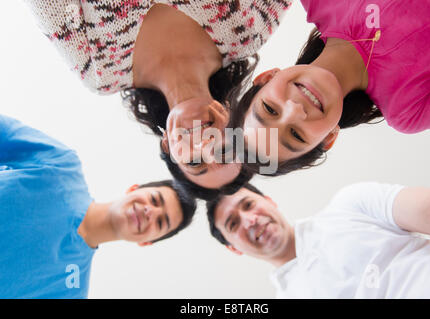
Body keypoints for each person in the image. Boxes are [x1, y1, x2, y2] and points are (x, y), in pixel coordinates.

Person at [24, 0, 293, 195]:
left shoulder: (100, 72)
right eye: (223, 151)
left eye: (194, 162)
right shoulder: (246, 32)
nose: (203, 145)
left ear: (167, 146)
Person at [231, 0, 430, 176]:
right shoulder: (408, 109)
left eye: (270, 109)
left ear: (266, 77)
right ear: (329, 138)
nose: (295, 110)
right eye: (296, 134)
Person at [0, 115, 197, 299]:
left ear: (146, 242)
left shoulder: (71, 290)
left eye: (161, 222)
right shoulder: (61, 166)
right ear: (133, 189)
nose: (151, 212)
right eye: (154, 200)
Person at [207, 183, 430, 298]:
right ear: (233, 248)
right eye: (233, 224)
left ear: (269, 201)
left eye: (248, 205)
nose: (250, 220)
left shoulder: (351, 204)